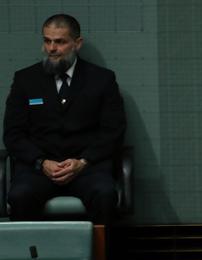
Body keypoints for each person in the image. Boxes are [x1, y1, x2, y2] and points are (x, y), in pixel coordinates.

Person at [3, 13, 126, 225]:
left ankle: (104, 258)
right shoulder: (25, 80)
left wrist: (83, 162)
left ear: (77, 43)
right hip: (39, 170)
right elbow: (13, 134)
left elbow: (113, 131)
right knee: (19, 196)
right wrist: (42, 162)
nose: (51, 48)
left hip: (87, 168)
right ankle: (32, 258)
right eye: (47, 40)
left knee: (105, 194)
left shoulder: (102, 79)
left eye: (59, 42)